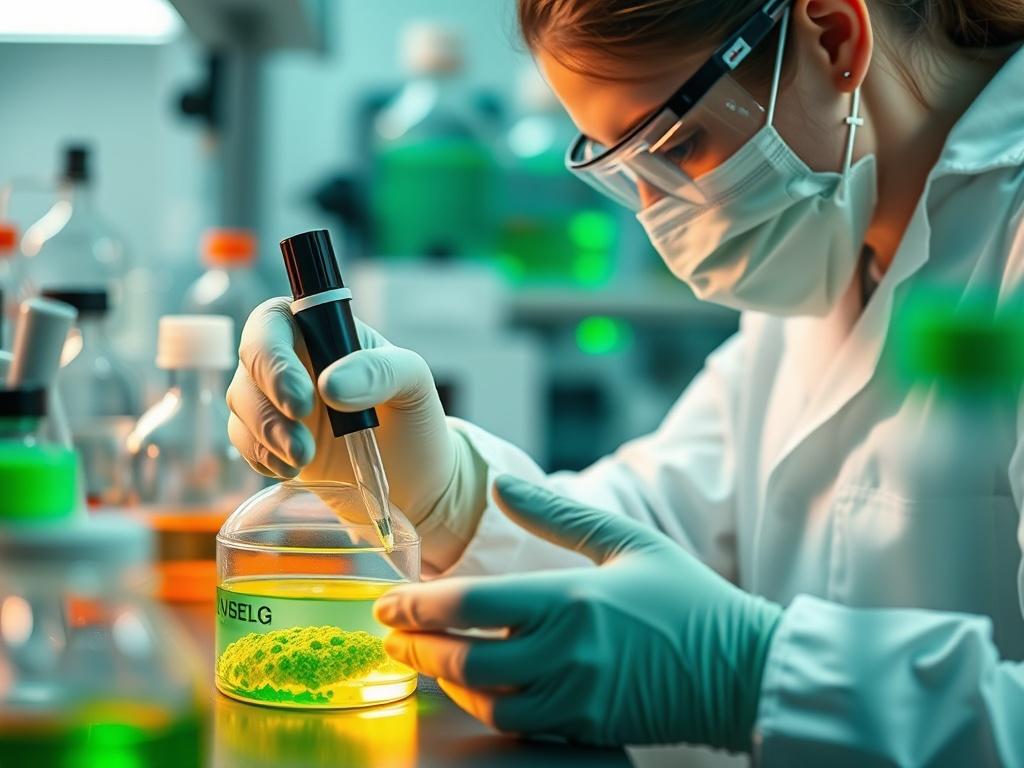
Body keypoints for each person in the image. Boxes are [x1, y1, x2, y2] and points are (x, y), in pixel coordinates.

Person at [226, 0, 1024, 761]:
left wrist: (755, 677)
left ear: (834, 38)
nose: (654, 214)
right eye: (620, 170)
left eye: (675, 146)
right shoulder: (824, 258)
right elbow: (653, 540)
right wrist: (447, 497)